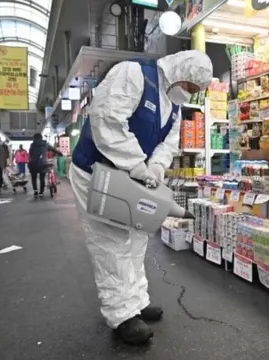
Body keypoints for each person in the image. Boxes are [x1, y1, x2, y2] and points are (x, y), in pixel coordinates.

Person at [69, 50, 213, 345]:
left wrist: (158, 166)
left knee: (137, 236)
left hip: (129, 179)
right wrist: (135, 162)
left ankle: (135, 300)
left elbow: (169, 141)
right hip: (96, 173)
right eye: (189, 86)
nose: (188, 94)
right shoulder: (133, 74)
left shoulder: (173, 103)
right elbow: (106, 119)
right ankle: (121, 314)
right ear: (178, 71)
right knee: (111, 243)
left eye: (194, 92)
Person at [28, 133, 62, 198]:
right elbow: (54, 150)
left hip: (33, 164)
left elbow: (31, 154)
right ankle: (41, 192)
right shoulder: (45, 144)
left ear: (34, 138)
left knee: (34, 178)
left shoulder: (32, 145)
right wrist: (60, 154)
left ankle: (35, 191)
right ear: (41, 137)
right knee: (42, 178)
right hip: (43, 163)